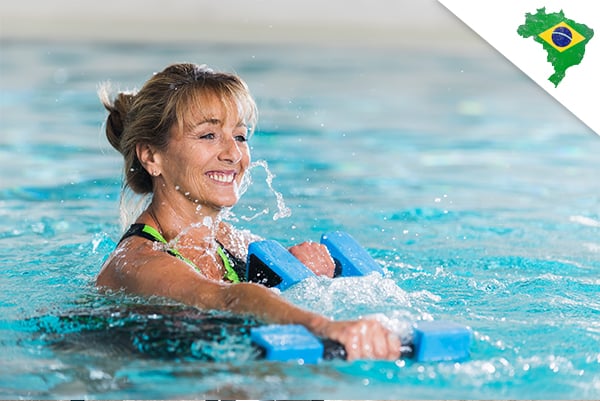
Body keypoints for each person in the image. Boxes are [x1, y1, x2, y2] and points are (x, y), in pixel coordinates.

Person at [96, 63, 401, 361]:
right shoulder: (137, 262)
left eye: (240, 136)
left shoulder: (230, 241)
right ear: (151, 156)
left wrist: (305, 275)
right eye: (208, 136)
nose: (233, 154)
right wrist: (325, 327)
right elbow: (227, 298)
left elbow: (255, 294)